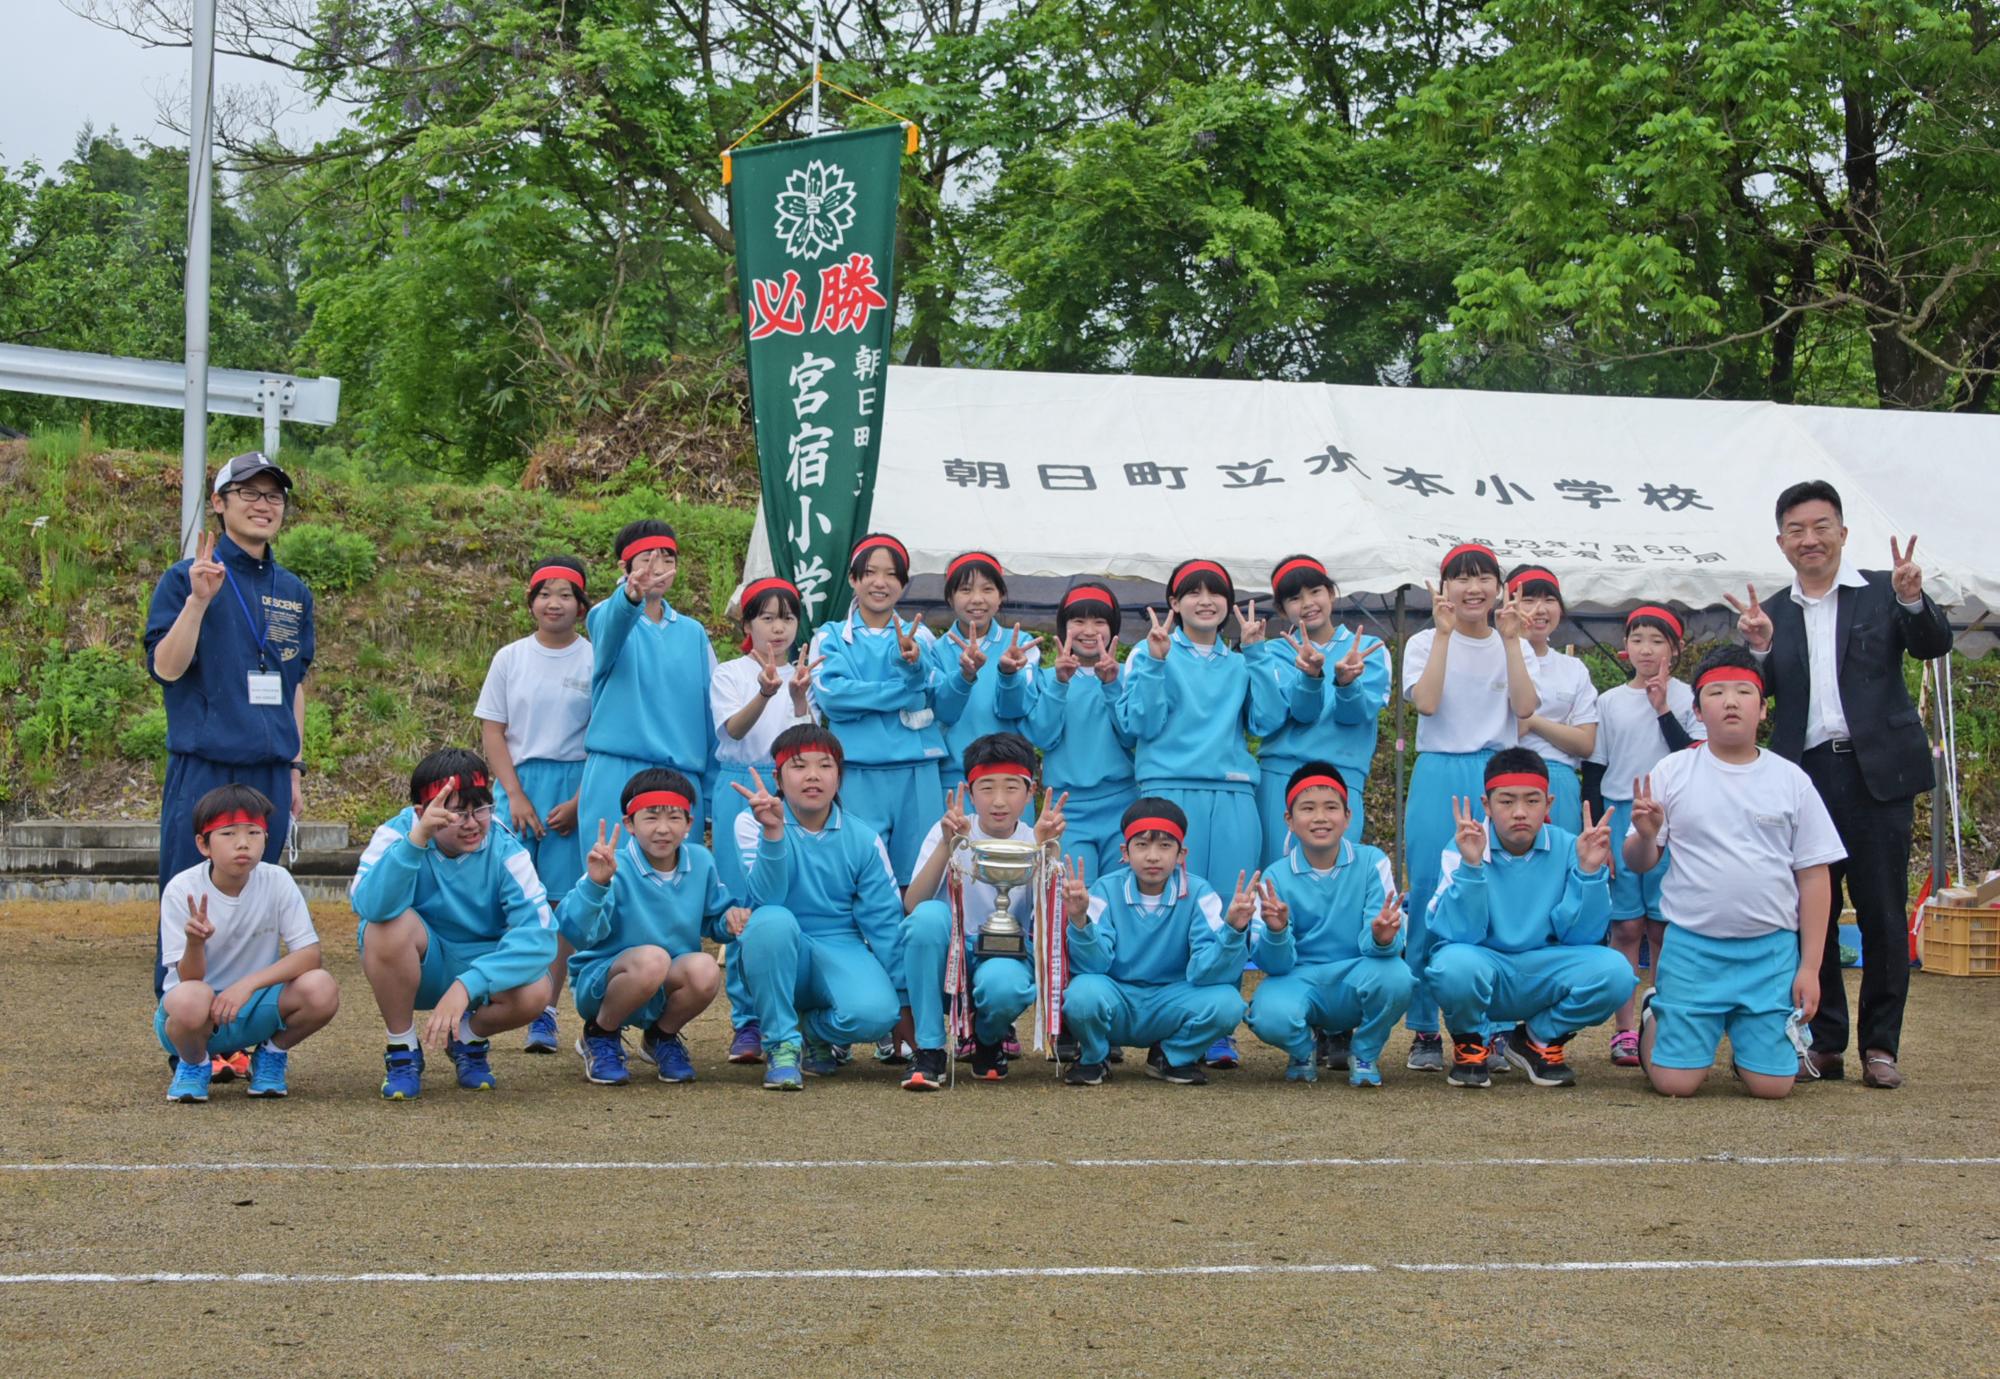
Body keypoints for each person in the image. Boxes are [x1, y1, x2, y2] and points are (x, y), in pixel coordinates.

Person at [1727, 481, 1953, 1089]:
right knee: (1812, 914)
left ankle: (1881, 1047)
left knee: (1881, 911)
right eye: (1797, 531)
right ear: (1781, 543)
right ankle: (1824, 1042)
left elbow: (1934, 643)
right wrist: (1757, 650)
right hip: (1805, 777)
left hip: (1878, 773)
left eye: (1821, 526)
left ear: (1843, 533)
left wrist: (1913, 601)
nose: (1811, 540)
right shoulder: (1769, 612)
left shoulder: (1885, 590)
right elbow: (1755, 692)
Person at [1625, 646, 1847, 1099]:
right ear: (1697, 710)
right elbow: (1638, 862)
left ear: (1763, 709)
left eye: (1744, 692)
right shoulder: (1673, 770)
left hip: (1770, 953)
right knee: (1674, 1084)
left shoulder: (1791, 780)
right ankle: (1658, 1013)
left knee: (1773, 1087)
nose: (1730, 701)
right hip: (1692, 948)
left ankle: (1743, 1035)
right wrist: (1646, 835)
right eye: (1717, 692)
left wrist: (1809, 966)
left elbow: (1814, 876)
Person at [145, 452, 315, 1027]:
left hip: (268, 772)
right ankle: (185, 1030)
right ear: (218, 504)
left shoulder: (294, 590)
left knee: (258, 906)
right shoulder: (184, 578)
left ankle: (247, 1031)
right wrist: (198, 601)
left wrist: (294, 767)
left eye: (274, 496)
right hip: (206, 768)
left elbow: (294, 682)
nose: (263, 505)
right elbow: (166, 669)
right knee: (192, 901)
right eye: (248, 493)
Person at [1116, 558, 1287, 1070]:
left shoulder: (1241, 661)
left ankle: (1214, 1030)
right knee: (1168, 907)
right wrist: (1154, 661)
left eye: (1215, 592)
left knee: (1229, 911)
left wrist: (1256, 653)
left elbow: (1267, 719)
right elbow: (1138, 724)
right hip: (1168, 791)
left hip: (1233, 796)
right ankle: (1163, 1017)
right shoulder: (1148, 653)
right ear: (1174, 603)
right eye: (1192, 592)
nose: (1205, 601)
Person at [1399, 543, 1538, 1071]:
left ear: (1500, 587)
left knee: (1495, 901)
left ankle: (1489, 1030)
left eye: (1483, 578)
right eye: (1461, 579)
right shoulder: (1422, 641)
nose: (1472, 588)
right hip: (1439, 772)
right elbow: (1428, 703)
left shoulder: (1510, 641)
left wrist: (1511, 643)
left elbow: (1524, 709)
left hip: (1497, 775)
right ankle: (1424, 1030)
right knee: (1432, 897)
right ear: (1444, 587)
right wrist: (1442, 633)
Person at [350, 748, 558, 1099]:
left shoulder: (505, 847)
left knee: (537, 989)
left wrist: (468, 985)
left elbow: (540, 934)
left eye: (481, 808)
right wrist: (417, 842)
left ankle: (467, 1037)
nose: (473, 822)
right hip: (422, 959)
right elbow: (369, 904)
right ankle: (402, 1050)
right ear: (422, 812)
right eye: (458, 812)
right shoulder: (396, 834)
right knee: (386, 926)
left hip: (477, 966)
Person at [1424, 749, 1630, 1089]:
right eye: (1506, 802)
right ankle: (1471, 1041)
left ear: (1548, 804)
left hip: (1544, 969)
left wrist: (1590, 873)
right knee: (1452, 965)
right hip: (1485, 965)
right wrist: (1472, 868)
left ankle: (1538, 1039)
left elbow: (1584, 937)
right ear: (1486, 805)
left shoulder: (1571, 847)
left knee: (1616, 971)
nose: (1520, 812)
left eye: (1532, 801)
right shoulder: (1463, 845)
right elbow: (1457, 934)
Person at [726, 724, 906, 1089]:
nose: (812, 776)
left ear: (840, 776)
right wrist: (774, 834)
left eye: (825, 766)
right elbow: (766, 899)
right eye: (798, 766)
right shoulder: (751, 823)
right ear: (777, 777)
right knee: (772, 921)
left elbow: (884, 923)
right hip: (776, 943)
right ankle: (781, 1044)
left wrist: (904, 1004)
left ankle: (812, 1031)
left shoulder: (864, 838)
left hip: (841, 944)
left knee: (877, 1015)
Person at [900, 733, 1068, 1089]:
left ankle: (988, 1040)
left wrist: (1047, 850)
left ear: (1031, 789)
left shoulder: (1034, 835)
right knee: (927, 920)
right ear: (969, 790)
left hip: (1004, 956)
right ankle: (930, 1048)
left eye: (1012, 788)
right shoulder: (949, 830)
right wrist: (949, 845)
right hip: (951, 957)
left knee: (1004, 986)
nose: (999, 801)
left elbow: (1049, 921)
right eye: (987, 787)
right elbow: (913, 903)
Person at [474, 553, 594, 1054]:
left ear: (581, 604)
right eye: (545, 594)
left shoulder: (594, 657)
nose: (554, 603)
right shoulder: (511, 657)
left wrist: (578, 802)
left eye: (566, 594)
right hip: (516, 782)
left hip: (576, 782)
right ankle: (499, 995)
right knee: (513, 896)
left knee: (561, 902)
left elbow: (603, 737)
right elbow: (493, 731)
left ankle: (545, 1010)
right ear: (531, 601)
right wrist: (516, 795)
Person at [157, 784, 339, 1102]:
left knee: (321, 988)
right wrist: (195, 942)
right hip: (195, 1015)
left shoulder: (277, 880)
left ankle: (270, 1054)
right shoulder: (181, 888)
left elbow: (310, 955)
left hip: (253, 1005)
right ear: (204, 844)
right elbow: (188, 979)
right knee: (191, 999)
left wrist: (248, 985)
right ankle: (194, 1063)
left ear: (266, 838)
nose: (243, 844)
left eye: (254, 833)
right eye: (228, 834)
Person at [1058, 799, 1251, 1087]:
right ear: (1125, 852)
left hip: (1172, 1001)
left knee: (1228, 1002)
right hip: (1118, 998)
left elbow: (1205, 971)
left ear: (1181, 854)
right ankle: (1095, 1056)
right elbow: (1094, 964)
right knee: (1082, 993)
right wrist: (1079, 920)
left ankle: (1171, 1056)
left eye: (1164, 846)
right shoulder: (1104, 889)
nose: (1152, 856)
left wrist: (1233, 928)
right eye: (1142, 845)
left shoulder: (1199, 892)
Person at [1243, 763, 1412, 1088]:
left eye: (1331, 807)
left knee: (1397, 978)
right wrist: (1277, 932)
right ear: (1289, 820)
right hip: (1299, 979)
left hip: (1356, 974)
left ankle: (1363, 1052)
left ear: (1348, 816)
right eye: (1308, 808)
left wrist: (1381, 937)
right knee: (1268, 1014)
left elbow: (1384, 938)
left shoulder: (1371, 861)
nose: (1320, 817)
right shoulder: (1275, 875)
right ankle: (1303, 1050)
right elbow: (1275, 965)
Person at [558, 770, 730, 1087]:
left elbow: (714, 920)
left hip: (662, 982)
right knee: (653, 959)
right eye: (650, 818)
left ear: (689, 824)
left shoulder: (701, 861)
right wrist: (596, 884)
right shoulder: (613, 865)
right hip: (604, 983)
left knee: (705, 967)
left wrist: (731, 922)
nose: (663, 829)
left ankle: (661, 1038)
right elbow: (576, 931)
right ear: (629, 825)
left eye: (674, 818)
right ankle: (600, 1034)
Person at [709, 576, 820, 1065]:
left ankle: (788, 1013)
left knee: (783, 899)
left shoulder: (805, 673)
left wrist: (797, 697)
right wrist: (764, 693)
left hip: (789, 794)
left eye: (788, 617)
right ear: (748, 624)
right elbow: (733, 729)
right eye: (767, 617)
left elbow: (809, 745)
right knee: (740, 903)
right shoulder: (730, 673)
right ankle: (747, 1021)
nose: (778, 628)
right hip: (738, 786)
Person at [1589, 603, 1705, 1066]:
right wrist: (1600, 832)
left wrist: (1661, 707)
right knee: (1626, 926)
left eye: (1658, 640)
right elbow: (1595, 770)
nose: (1646, 649)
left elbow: (1695, 753)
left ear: (1674, 650)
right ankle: (1623, 1031)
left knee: (1661, 925)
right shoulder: (1610, 701)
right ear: (1625, 648)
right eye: (1638, 639)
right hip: (1619, 814)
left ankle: (1658, 1020)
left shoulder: (1690, 695)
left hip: (1670, 814)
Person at [809, 533, 951, 885]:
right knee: (860, 872)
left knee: (921, 875)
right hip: (857, 769)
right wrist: (903, 688)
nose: (880, 582)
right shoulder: (829, 636)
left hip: (918, 769)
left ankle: (918, 940)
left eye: (891, 574)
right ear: (853, 579)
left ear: (903, 584)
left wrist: (912, 670)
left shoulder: (922, 638)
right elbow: (834, 698)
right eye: (870, 572)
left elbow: (936, 694)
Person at [577, 520, 717, 846]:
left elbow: (710, 713)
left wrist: (708, 795)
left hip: (680, 776)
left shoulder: (693, 632)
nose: (659, 568)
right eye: (647, 560)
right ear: (624, 567)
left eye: (668, 559)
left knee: (677, 884)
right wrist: (630, 595)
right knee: (610, 879)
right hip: (618, 770)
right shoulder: (607, 615)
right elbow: (612, 624)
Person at [1258, 554, 1389, 857]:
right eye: (1294, 598)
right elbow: (1301, 714)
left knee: (1338, 881)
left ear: (1331, 593)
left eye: (1315, 591)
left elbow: (1355, 716)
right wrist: (1311, 676)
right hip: (1280, 778)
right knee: (1273, 884)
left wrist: (1346, 683)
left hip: (1343, 777)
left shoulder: (1368, 649)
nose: (1307, 603)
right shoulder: (1274, 652)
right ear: (1281, 609)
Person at [1023, 580, 1137, 878]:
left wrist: (1111, 685)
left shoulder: (1127, 675)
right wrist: (1061, 684)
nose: (1089, 630)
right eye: (1079, 621)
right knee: (1072, 898)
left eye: (1099, 621)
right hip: (1067, 809)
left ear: (1113, 628)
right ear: (1064, 628)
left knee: (1119, 895)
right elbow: (1042, 737)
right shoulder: (1048, 678)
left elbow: (1130, 736)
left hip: (1122, 804)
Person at [927, 550, 1038, 776]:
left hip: (1011, 775)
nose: (977, 599)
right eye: (965, 590)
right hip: (954, 777)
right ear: (950, 598)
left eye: (987, 589)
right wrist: (964, 676)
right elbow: (944, 713)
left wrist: (1008, 675)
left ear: (1000, 596)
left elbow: (1015, 710)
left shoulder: (1021, 645)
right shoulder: (935, 650)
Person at [1506, 565, 1599, 833]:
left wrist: (1533, 721)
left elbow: (1585, 743)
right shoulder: (1492, 657)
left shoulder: (1573, 669)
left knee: (1559, 864)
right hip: (1504, 776)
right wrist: (1558, 729)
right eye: (1529, 599)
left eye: (1549, 600)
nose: (1540, 609)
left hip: (1558, 780)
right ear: (1508, 605)